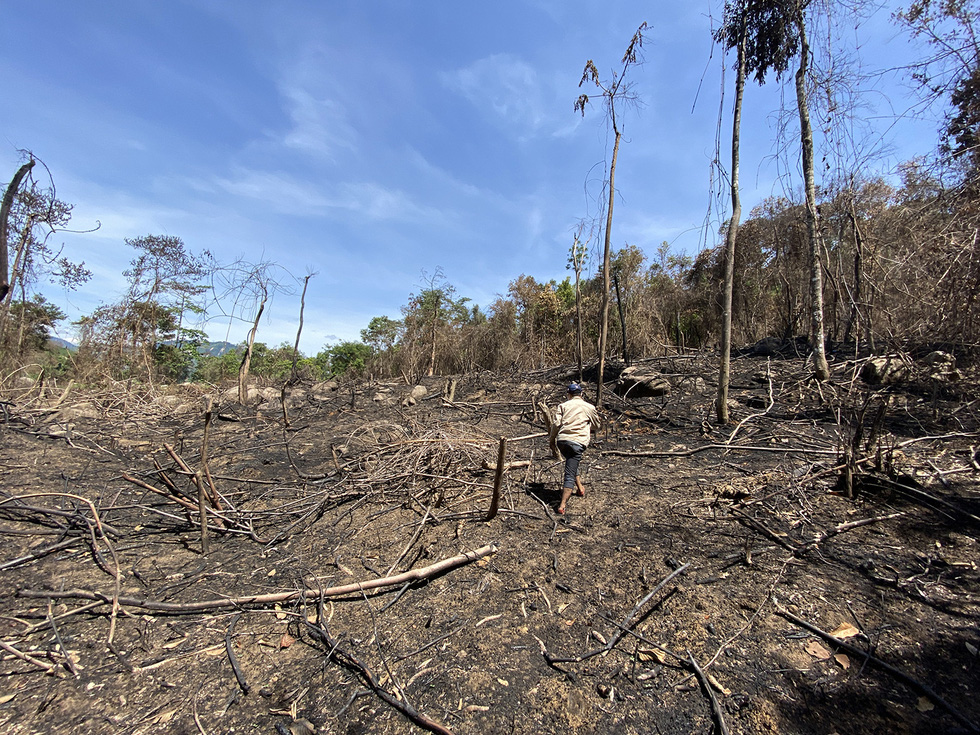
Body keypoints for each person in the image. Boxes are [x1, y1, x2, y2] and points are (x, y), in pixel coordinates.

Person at [553, 382, 600, 514]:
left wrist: (552, 440)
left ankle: (580, 488)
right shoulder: (589, 407)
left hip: (562, 441)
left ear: (569, 394)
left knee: (571, 463)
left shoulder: (562, 406)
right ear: (581, 394)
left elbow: (556, 424)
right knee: (569, 473)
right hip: (577, 442)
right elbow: (596, 426)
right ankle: (562, 505)